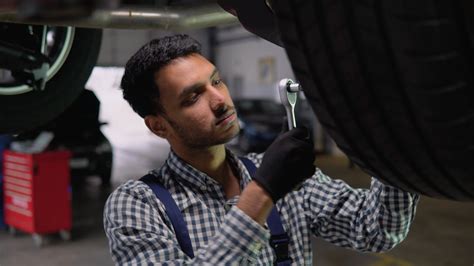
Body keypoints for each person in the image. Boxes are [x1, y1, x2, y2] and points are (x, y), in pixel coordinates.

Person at [103, 34, 419, 265]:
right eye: (193, 97)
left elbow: (376, 230)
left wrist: (393, 132)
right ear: (159, 125)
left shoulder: (285, 178)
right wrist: (264, 191)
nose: (220, 100)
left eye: (217, 81)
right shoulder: (137, 204)